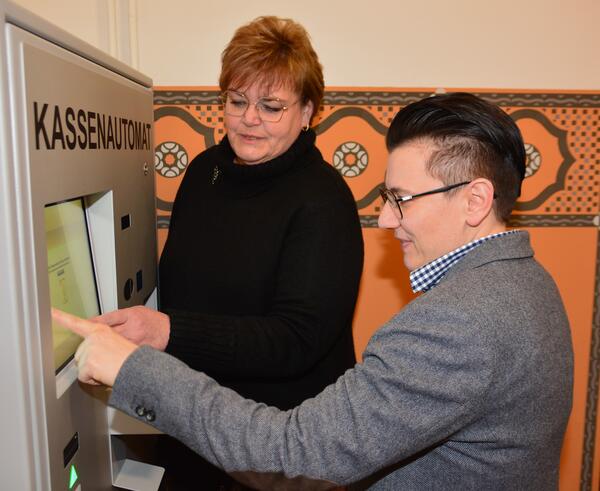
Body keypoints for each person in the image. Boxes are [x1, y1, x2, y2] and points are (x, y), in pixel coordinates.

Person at [54, 92, 574, 490]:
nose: (386, 220)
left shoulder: (457, 322)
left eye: (401, 199)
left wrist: (132, 371)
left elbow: (291, 453)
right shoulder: (528, 278)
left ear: (474, 200)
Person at [98, 15, 363, 489]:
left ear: (308, 112)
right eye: (237, 101)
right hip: (192, 427)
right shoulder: (204, 173)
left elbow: (297, 339)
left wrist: (168, 329)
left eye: (272, 106)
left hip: (277, 449)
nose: (249, 118)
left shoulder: (323, 200)